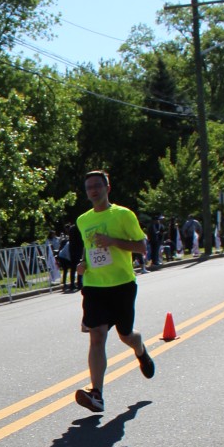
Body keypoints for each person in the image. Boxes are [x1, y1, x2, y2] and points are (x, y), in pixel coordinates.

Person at [73, 171, 154, 415]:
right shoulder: (83, 220)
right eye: (89, 187)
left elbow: (142, 247)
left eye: (97, 186)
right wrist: (83, 264)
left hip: (121, 285)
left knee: (126, 335)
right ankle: (96, 394)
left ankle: (140, 349)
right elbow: (88, 248)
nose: (93, 190)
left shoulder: (123, 215)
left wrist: (113, 241)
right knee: (97, 336)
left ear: (108, 188)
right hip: (94, 286)